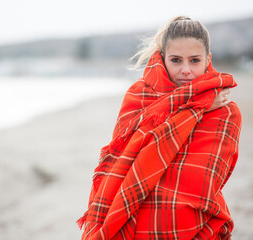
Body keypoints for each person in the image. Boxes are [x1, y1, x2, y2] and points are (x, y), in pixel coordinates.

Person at [77, 16, 242, 240]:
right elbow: (125, 156)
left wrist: (197, 107)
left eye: (194, 60)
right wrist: (196, 107)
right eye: (176, 60)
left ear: (207, 60)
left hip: (192, 222)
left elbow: (206, 180)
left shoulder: (224, 110)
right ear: (163, 58)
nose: (186, 70)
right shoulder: (139, 95)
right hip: (133, 212)